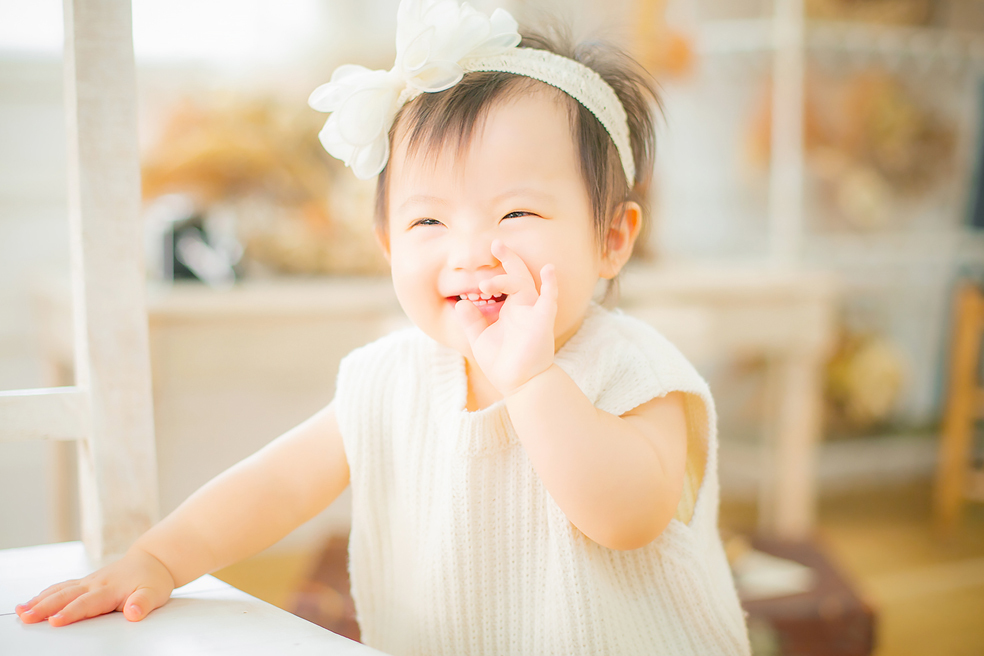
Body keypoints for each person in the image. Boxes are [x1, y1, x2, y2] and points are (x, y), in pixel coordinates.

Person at [16, 1, 751, 654]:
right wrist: (162, 559)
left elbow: (627, 516)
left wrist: (532, 380)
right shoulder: (390, 379)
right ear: (389, 246)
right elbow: (274, 485)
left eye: (516, 214)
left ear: (612, 239)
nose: (471, 253)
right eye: (429, 220)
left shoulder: (636, 371)